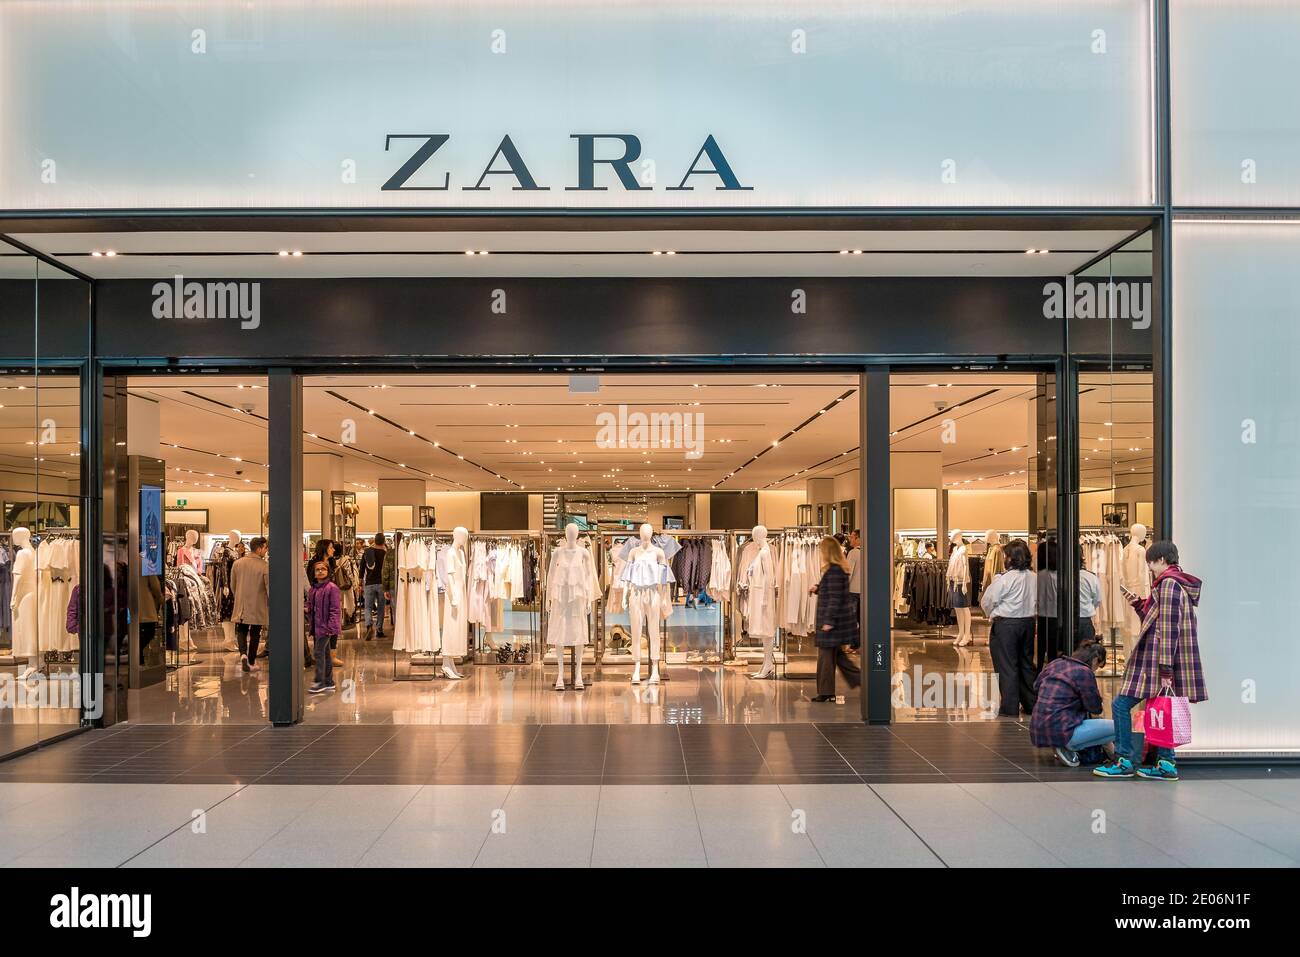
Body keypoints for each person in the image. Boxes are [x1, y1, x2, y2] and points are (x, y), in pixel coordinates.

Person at [1095, 541, 1206, 782]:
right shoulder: (1175, 585)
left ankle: (1124, 761)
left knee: (1121, 705)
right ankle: (1165, 764)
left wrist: (1165, 667)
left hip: (1156, 663)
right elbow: (1158, 620)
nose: (1149, 567)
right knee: (1161, 710)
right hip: (1161, 663)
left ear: (1161, 560)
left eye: (1151, 562)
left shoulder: (1168, 585)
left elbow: (1168, 629)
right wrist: (1138, 603)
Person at [1031, 640, 1116, 767]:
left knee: (1101, 729)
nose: (1095, 670)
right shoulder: (1084, 672)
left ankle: (1111, 754)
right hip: (1063, 730)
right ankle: (1068, 746)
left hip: (1038, 729)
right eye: (1098, 666)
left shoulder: (1056, 663)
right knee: (1119, 727)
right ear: (1095, 659)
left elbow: (1036, 686)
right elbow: (1095, 708)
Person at [979, 538, 1037, 716]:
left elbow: (988, 601)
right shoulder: (1034, 578)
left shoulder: (1004, 579)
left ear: (1010, 558)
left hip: (1006, 625)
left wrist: (991, 613)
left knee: (1007, 665)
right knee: (1026, 664)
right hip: (1027, 623)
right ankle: (1030, 703)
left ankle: (1010, 706)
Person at [810, 536, 861, 702]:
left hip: (833, 623)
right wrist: (818, 588)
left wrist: (828, 622)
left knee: (825, 657)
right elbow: (832, 590)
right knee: (838, 657)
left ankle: (826, 692)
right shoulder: (836, 569)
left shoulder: (834, 571)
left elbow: (835, 598)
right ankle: (862, 681)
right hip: (839, 623)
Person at [231, 536, 270, 673]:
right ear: (259, 548)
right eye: (265, 548)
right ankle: (251, 662)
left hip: (241, 603)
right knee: (255, 632)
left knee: (241, 630)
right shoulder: (264, 566)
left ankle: (243, 654)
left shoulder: (238, 563)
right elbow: (268, 587)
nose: (266, 551)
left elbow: (233, 585)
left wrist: (239, 596)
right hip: (257, 604)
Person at [305, 559, 341, 694]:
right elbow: (311, 606)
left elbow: (335, 610)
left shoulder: (332, 588)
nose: (320, 571)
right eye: (317, 570)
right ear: (314, 573)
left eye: (323, 569)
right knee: (325, 653)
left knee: (318, 652)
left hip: (326, 628)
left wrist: (331, 627)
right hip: (317, 627)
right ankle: (328, 682)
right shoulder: (313, 589)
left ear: (328, 571)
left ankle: (319, 681)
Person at [361, 533, 388, 639]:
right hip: (381, 583)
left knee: (368, 607)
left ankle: (368, 626)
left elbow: (362, 567)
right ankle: (379, 630)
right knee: (381, 607)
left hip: (369, 583)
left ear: (374, 541)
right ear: (384, 541)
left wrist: (359, 582)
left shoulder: (367, 552)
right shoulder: (385, 553)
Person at [1076, 551, 1103, 645]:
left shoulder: (1063, 576)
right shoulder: (1090, 577)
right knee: (1086, 655)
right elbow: (1098, 599)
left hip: (1066, 622)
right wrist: (1090, 606)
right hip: (1085, 621)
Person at [845, 528, 862, 622]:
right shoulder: (867, 553)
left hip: (853, 591)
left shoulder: (853, 553)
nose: (850, 540)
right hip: (864, 591)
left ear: (858, 539)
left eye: (852, 537)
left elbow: (848, 572)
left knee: (852, 619)